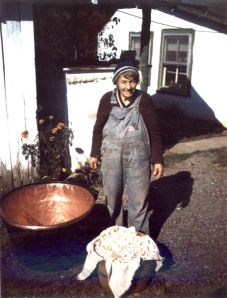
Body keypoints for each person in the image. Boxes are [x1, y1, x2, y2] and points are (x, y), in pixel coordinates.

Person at [89, 61, 164, 235]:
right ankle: (116, 235)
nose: (128, 87)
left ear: (136, 82)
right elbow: (98, 128)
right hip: (111, 155)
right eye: (123, 82)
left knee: (138, 201)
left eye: (132, 82)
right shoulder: (107, 99)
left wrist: (157, 159)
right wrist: (94, 153)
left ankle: (139, 241)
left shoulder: (144, 100)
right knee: (112, 199)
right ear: (116, 82)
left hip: (139, 157)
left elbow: (154, 131)